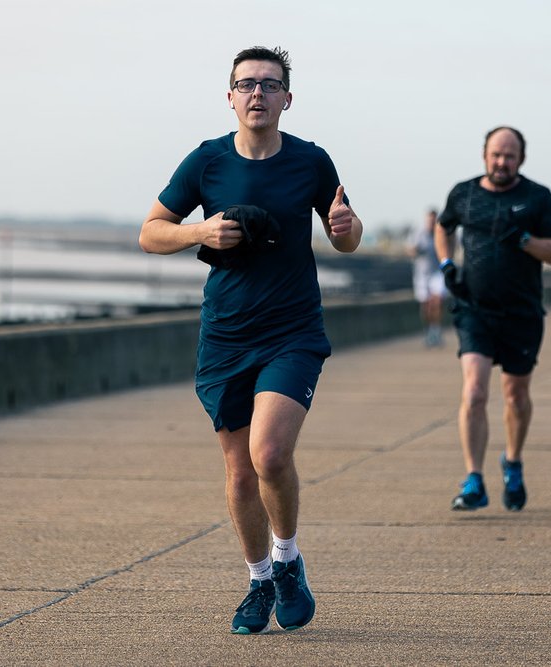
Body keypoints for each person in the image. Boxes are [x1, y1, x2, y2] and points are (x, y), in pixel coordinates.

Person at [138, 46, 363, 635]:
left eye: (269, 84)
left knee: (270, 454)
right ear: (230, 96)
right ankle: (259, 579)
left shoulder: (311, 162)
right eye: (246, 84)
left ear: (288, 98)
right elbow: (150, 233)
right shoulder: (206, 162)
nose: (257, 93)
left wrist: (345, 228)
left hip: (293, 331)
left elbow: (346, 235)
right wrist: (200, 231)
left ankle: (289, 563)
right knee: (240, 475)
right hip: (226, 335)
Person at [434, 126, 551, 512]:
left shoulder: (537, 198)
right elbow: (443, 227)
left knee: (516, 395)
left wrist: (524, 240)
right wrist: (446, 265)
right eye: (496, 154)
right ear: (483, 155)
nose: (502, 162)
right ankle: (474, 479)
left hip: (522, 313)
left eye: (509, 156)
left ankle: (512, 461)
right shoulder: (464, 193)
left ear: (521, 160)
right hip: (474, 309)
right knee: (475, 392)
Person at [408, 208, 448, 346]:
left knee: (436, 301)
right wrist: (416, 250)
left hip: (437, 273)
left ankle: (436, 332)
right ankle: (428, 331)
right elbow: (410, 249)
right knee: (425, 305)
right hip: (422, 274)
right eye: (429, 220)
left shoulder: (441, 232)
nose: (431, 223)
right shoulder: (419, 233)